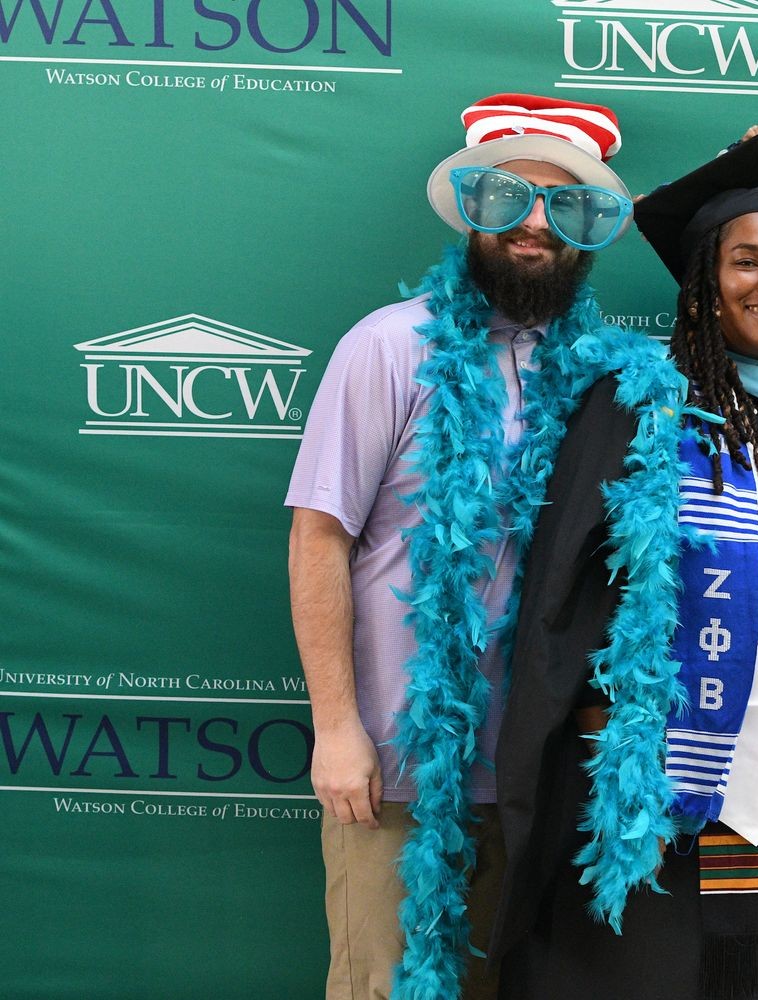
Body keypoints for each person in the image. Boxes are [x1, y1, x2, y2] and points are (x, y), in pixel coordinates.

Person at [487, 130, 758, 1000]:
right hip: (650, 795)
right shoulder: (640, 407)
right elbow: (561, 599)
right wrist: (593, 739)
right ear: (704, 285)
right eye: (746, 261)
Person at [285, 91, 637, 1000]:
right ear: (472, 211)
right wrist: (335, 728)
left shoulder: (609, 377)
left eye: (562, 206)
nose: (532, 224)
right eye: (507, 198)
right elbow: (318, 537)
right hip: (400, 771)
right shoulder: (388, 349)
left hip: (540, 775)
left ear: (588, 229)